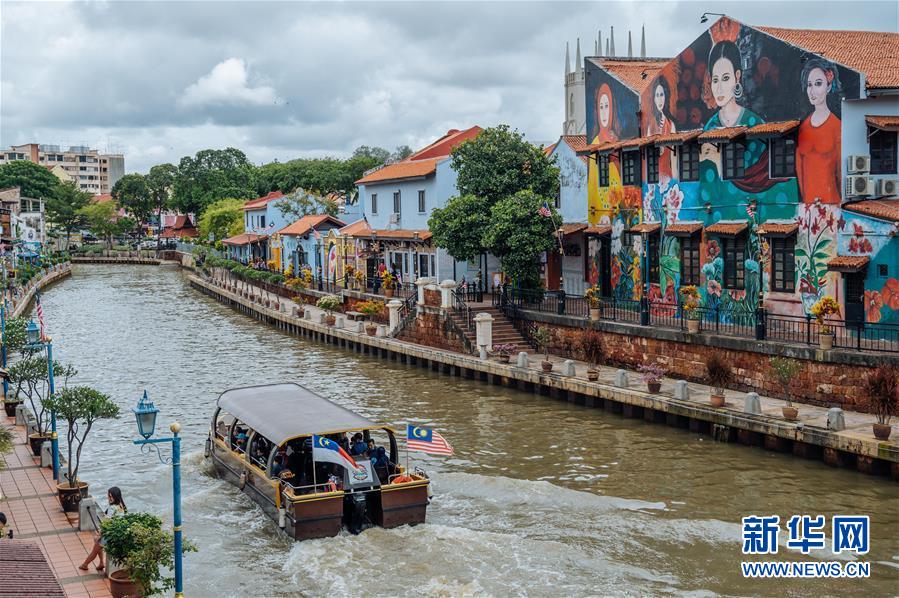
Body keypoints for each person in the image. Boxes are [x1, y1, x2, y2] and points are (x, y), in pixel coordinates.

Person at [796, 58, 842, 204]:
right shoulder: (802, 127)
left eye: (818, 84)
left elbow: (841, 173)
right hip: (807, 207)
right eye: (809, 85)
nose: (812, 91)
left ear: (828, 86)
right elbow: (800, 171)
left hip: (832, 205)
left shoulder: (837, 126)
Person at [80, 487, 127, 572]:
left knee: (95, 548)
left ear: (115, 496)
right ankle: (101, 563)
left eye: (110, 496)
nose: (109, 498)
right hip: (116, 533)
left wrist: (100, 535)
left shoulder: (112, 508)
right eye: (109, 496)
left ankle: (85, 564)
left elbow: (107, 525)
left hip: (110, 534)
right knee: (96, 542)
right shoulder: (121, 506)